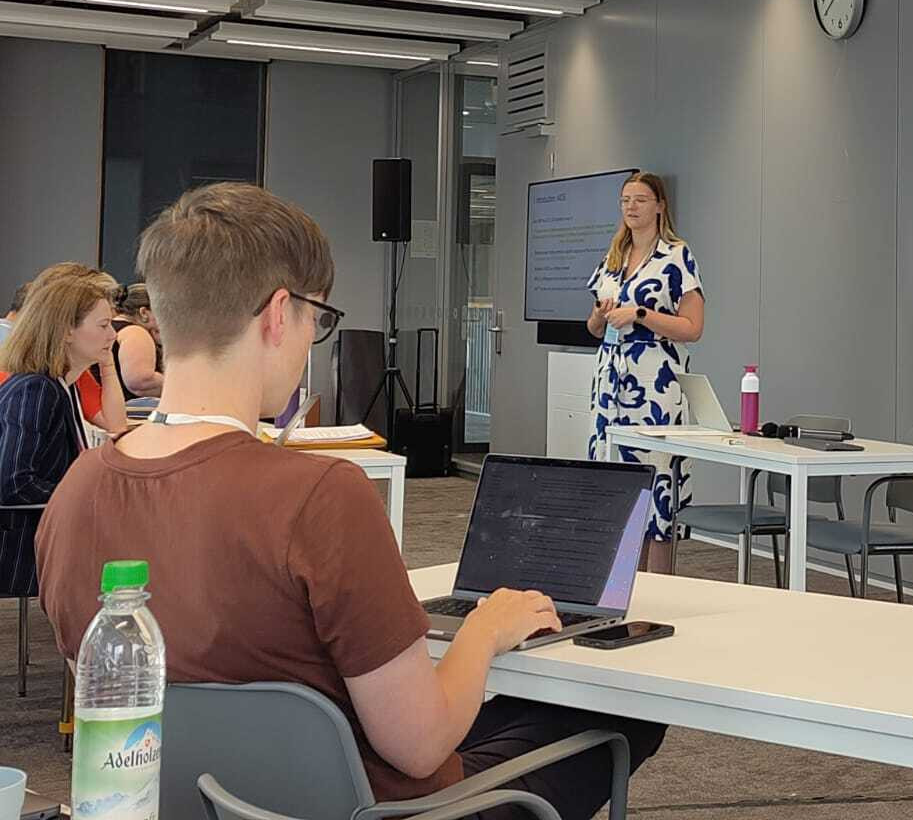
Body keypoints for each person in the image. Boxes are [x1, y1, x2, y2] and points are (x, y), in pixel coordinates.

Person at [37, 184, 663, 819]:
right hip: (389, 807)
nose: (314, 339)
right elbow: (419, 746)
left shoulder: (75, 493)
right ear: (279, 314)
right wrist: (487, 628)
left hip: (196, 804)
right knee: (623, 713)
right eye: (318, 318)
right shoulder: (320, 496)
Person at [584, 172, 705, 574]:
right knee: (612, 481)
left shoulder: (677, 255)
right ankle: (618, 585)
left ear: (659, 205)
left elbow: (693, 328)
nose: (631, 207)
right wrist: (601, 317)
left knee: (656, 488)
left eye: (639, 199)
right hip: (610, 384)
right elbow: (593, 328)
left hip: (655, 383)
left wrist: (641, 314)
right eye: (625, 200)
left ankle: (661, 587)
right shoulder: (613, 257)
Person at [0, 268, 118, 596]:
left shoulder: (59, 386)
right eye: (104, 326)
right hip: (20, 570)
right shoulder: (38, 389)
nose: (113, 335)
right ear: (66, 330)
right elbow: (13, 483)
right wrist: (88, 499)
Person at [0, 265, 127, 439]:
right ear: (65, 324)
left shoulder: (69, 373)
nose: (113, 334)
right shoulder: (34, 389)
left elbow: (116, 426)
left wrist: (106, 359)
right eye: (103, 324)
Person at [110, 282, 164, 397]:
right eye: (162, 311)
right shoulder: (136, 332)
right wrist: (180, 386)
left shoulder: (112, 327)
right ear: (144, 312)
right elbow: (141, 381)